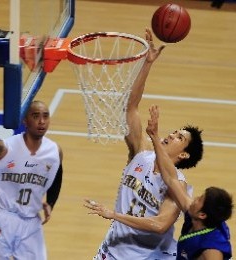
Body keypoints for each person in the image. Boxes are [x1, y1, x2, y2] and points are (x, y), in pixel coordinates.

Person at [84, 28, 204, 260]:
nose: (172, 135)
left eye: (180, 137)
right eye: (175, 132)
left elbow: (160, 225)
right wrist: (147, 63)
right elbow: (131, 108)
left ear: (185, 155)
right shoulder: (141, 153)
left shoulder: (179, 186)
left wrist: (114, 215)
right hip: (112, 250)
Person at [0, 100, 63, 260]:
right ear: (24, 121)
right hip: (0, 215)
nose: (42, 121)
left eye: (45, 116)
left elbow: (57, 174)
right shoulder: (3, 148)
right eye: (36, 116)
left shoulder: (54, 151)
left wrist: (51, 202)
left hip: (30, 219)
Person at [146, 104, 233, 259]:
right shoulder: (193, 213)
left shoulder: (212, 251)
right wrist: (154, 137)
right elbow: (170, 178)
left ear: (203, 215)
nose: (194, 199)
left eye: (199, 200)